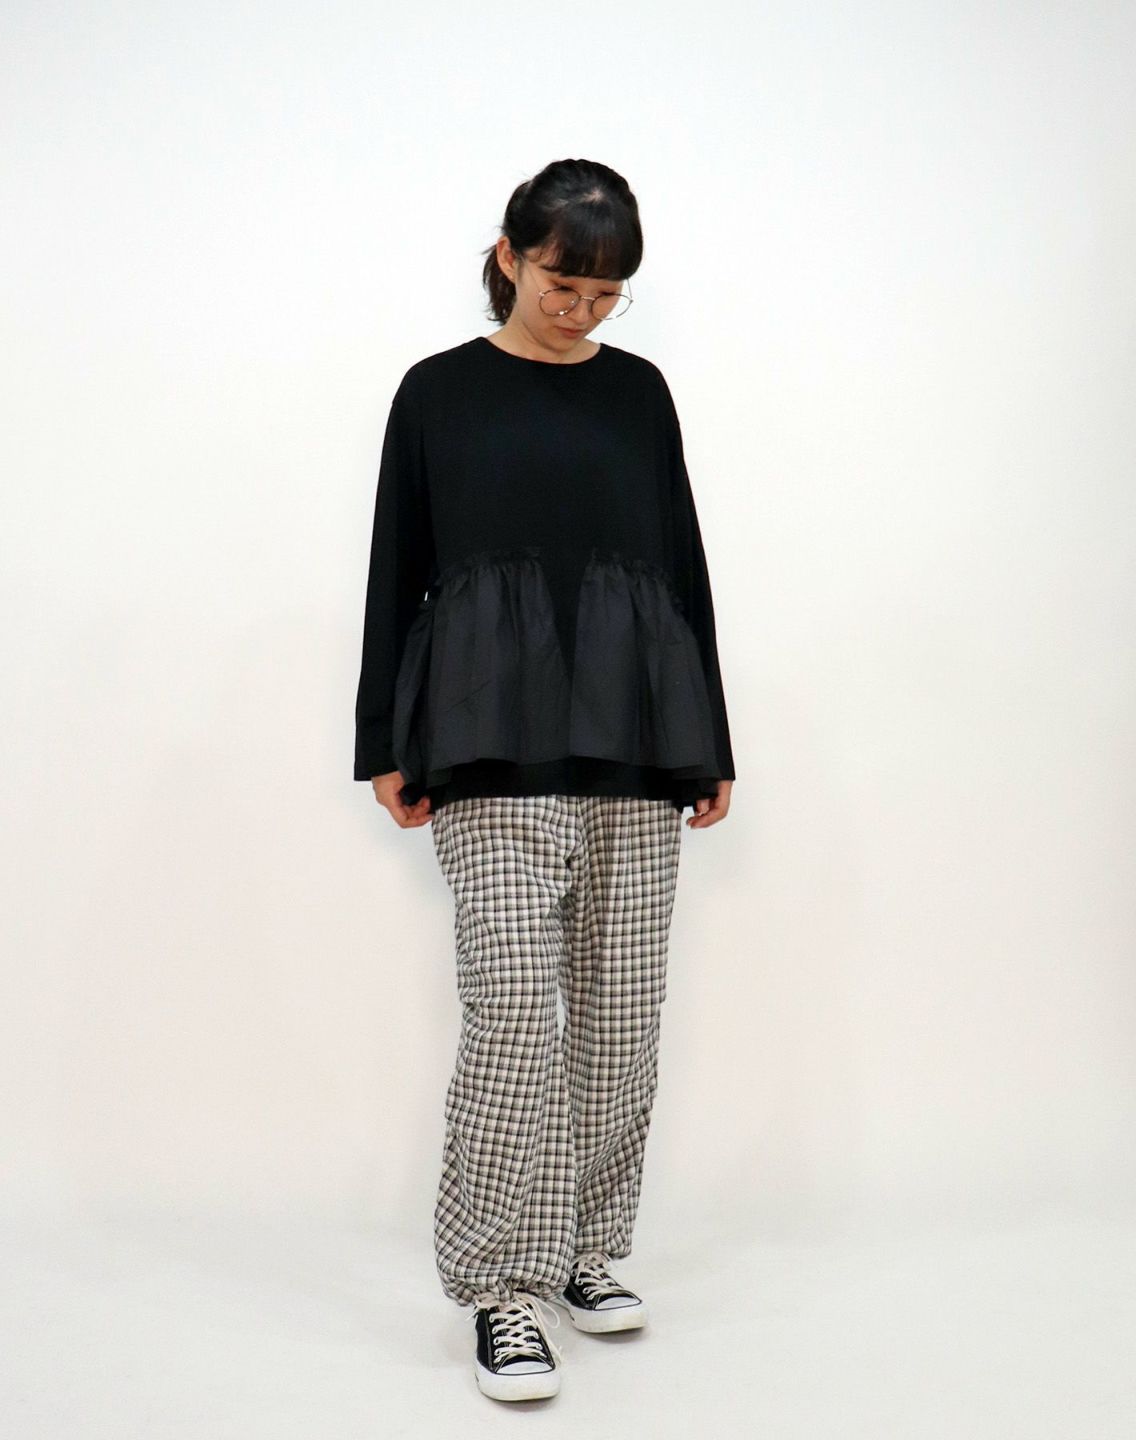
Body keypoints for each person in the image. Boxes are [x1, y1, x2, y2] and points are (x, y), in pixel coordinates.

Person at [353, 157, 735, 1402]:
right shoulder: (438, 393)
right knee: (516, 1014)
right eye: (565, 282)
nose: (582, 309)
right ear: (510, 256)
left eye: (607, 293)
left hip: (634, 738)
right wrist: (383, 739)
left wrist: (710, 738)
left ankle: (583, 1250)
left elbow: (680, 563)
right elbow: (396, 566)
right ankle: (500, 1288)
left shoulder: (640, 395)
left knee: (620, 1022)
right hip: (487, 738)